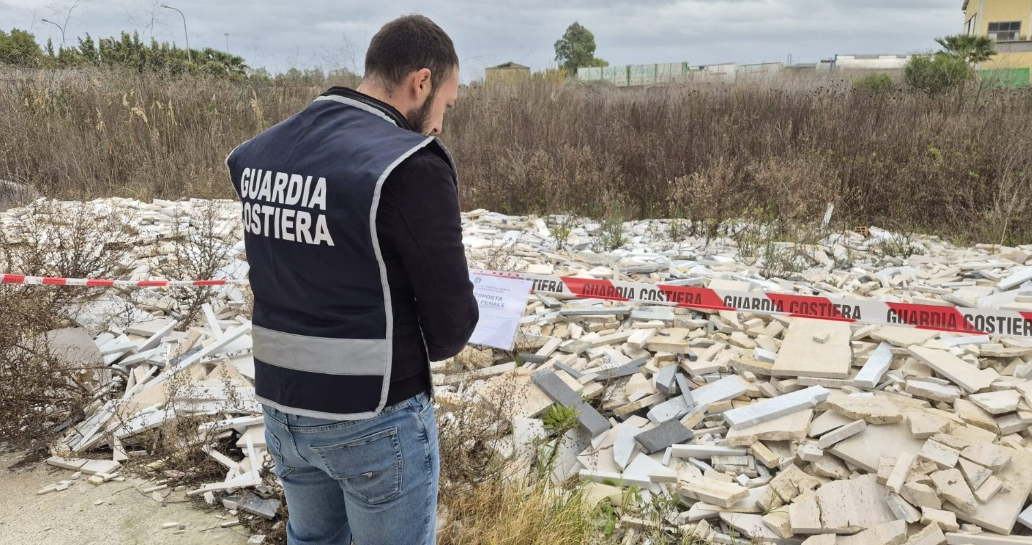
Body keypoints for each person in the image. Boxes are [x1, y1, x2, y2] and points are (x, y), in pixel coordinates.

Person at [225, 14, 478, 545]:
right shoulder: (408, 162)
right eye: (445, 108)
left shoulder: (260, 154)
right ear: (422, 82)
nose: (438, 126)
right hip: (374, 417)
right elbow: (451, 329)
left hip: (282, 408)